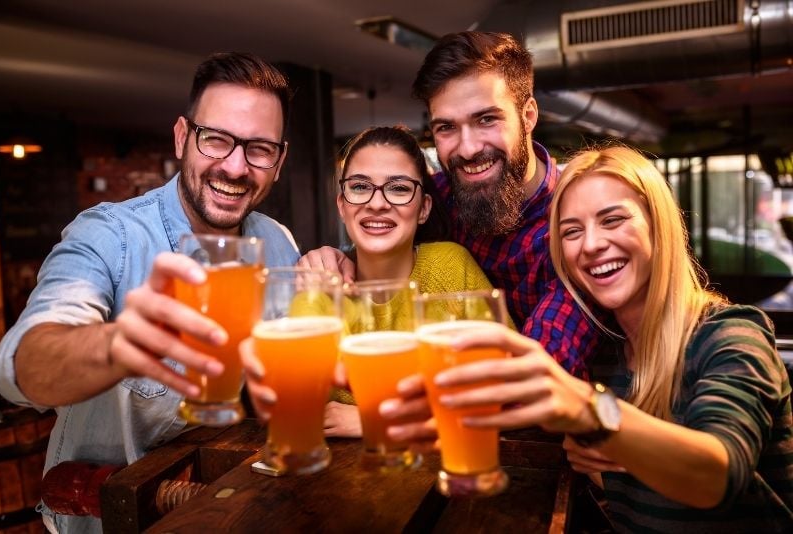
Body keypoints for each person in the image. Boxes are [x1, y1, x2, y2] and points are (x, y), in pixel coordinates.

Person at [384, 145, 793, 531]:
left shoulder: (731, 334)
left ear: (660, 225)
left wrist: (590, 411)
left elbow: (718, 474)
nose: (593, 245)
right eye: (571, 231)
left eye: (613, 220)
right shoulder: (604, 353)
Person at [0, 52, 300, 533]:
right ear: (182, 137)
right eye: (216, 140)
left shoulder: (278, 243)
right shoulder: (110, 235)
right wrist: (121, 344)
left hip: (226, 508)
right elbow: (20, 368)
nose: (236, 167)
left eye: (259, 148)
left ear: (278, 161)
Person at [301, 31, 598, 376]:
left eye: (487, 119)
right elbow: (380, 227)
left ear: (528, 115)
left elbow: (540, 379)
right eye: (446, 127)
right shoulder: (440, 194)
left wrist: (380, 410)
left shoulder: (573, 223)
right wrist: (336, 257)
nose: (468, 149)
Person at [304, 125, 500, 437]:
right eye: (359, 186)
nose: (377, 203)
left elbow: (507, 388)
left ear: (423, 208)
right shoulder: (320, 285)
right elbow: (297, 407)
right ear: (342, 206)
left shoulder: (451, 267)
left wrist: (376, 420)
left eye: (398, 188)